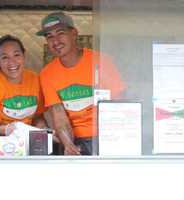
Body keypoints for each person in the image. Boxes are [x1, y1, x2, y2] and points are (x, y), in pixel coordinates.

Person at [37, 12, 126, 155]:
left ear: (74, 33)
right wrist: (69, 145)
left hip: (107, 136)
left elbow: (120, 104)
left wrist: (116, 138)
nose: (55, 41)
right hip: (74, 139)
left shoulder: (101, 61)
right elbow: (59, 116)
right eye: (49, 36)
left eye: (60, 33)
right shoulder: (47, 74)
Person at [0, 35, 46, 136]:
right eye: (5, 57)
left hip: (27, 141)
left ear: (24, 55)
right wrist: (3, 129)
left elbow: (38, 115)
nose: (12, 62)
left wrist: (41, 129)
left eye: (16, 55)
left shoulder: (36, 80)